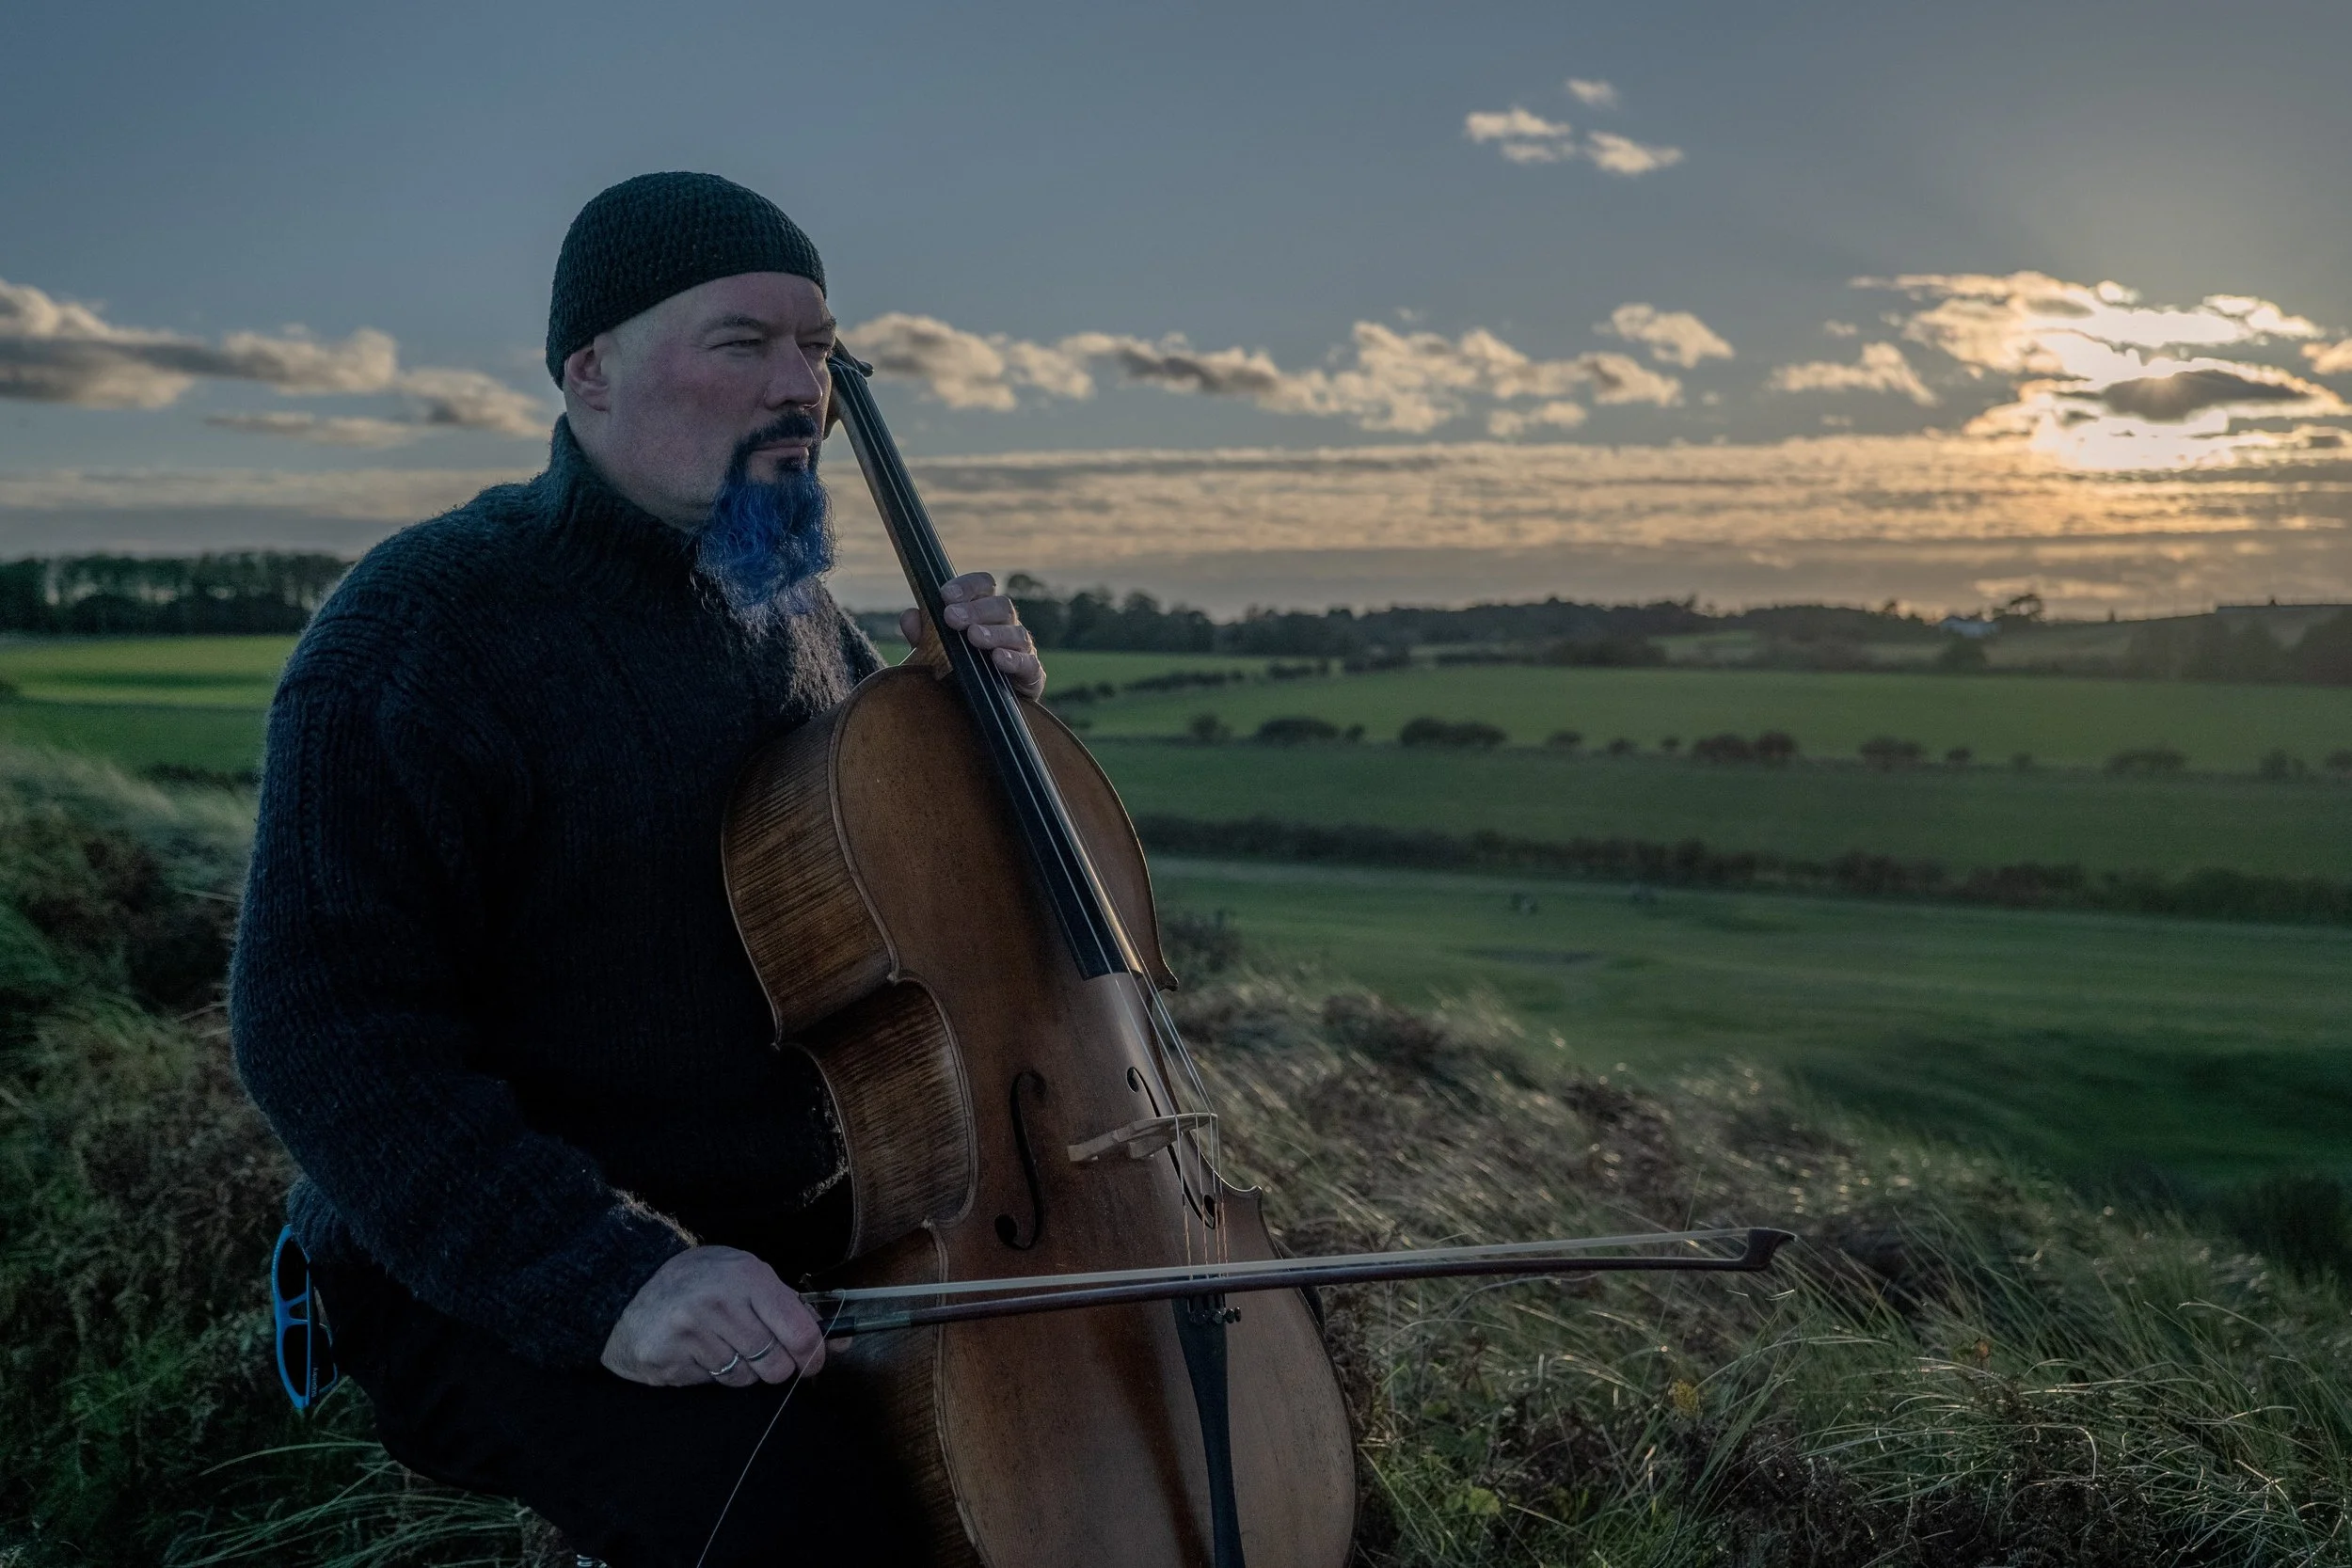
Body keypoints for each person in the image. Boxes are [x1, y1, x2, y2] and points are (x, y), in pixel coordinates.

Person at [230, 172, 1044, 1567]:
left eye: (822, 348)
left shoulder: (792, 605)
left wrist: (984, 730)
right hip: (499, 1258)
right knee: (815, 1522)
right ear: (589, 370)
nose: (806, 388)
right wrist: (613, 1280)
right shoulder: (418, 633)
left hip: (803, 1222)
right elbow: (324, 1031)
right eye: (746, 343)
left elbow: (887, 899)